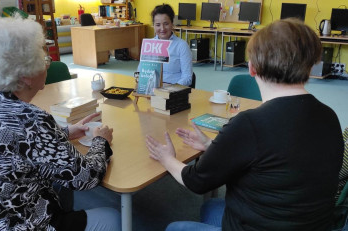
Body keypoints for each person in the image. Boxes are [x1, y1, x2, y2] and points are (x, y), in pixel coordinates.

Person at [145, 19, 344, 231]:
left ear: (252, 68)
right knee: (210, 208)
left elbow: (195, 182)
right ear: (311, 65)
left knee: (174, 228)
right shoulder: (330, 116)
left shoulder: (249, 124)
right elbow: (279, 159)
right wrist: (214, 146)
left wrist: (167, 159)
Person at [0, 16, 121, 231]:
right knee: (113, 218)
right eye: (44, 60)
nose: (48, 63)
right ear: (26, 75)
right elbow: (87, 178)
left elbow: (19, 145)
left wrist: (64, 132)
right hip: (19, 223)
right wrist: (101, 141)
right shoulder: (30, 120)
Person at [138, 4, 193, 86]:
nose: (162, 28)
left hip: (174, 92)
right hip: (152, 90)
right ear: (153, 26)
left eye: (166, 24)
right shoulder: (149, 45)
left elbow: (187, 77)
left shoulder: (181, 45)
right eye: (158, 25)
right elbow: (140, 73)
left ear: (172, 23)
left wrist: (170, 89)